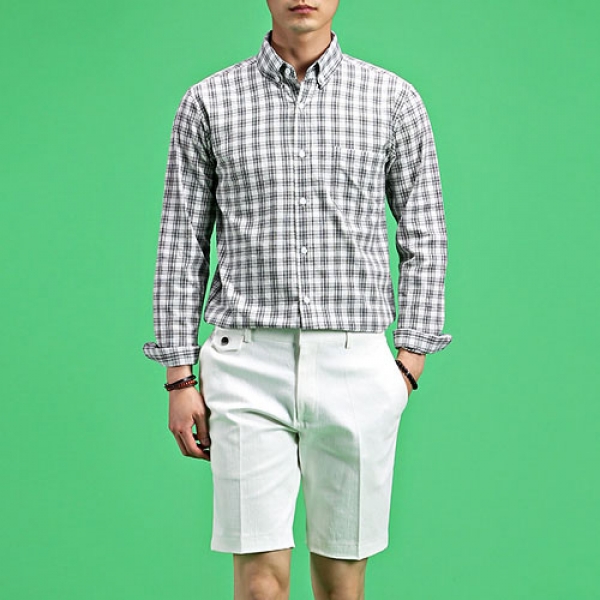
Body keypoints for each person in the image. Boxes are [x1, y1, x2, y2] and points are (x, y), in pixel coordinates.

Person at [143, 1, 452, 598]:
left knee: (341, 585)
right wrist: (179, 377)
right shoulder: (209, 101)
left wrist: (409, 361)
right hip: (245, 364)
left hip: (355, 364)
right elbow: (181, 241)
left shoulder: (392, 99)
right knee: (260, 584)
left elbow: (425, 232)